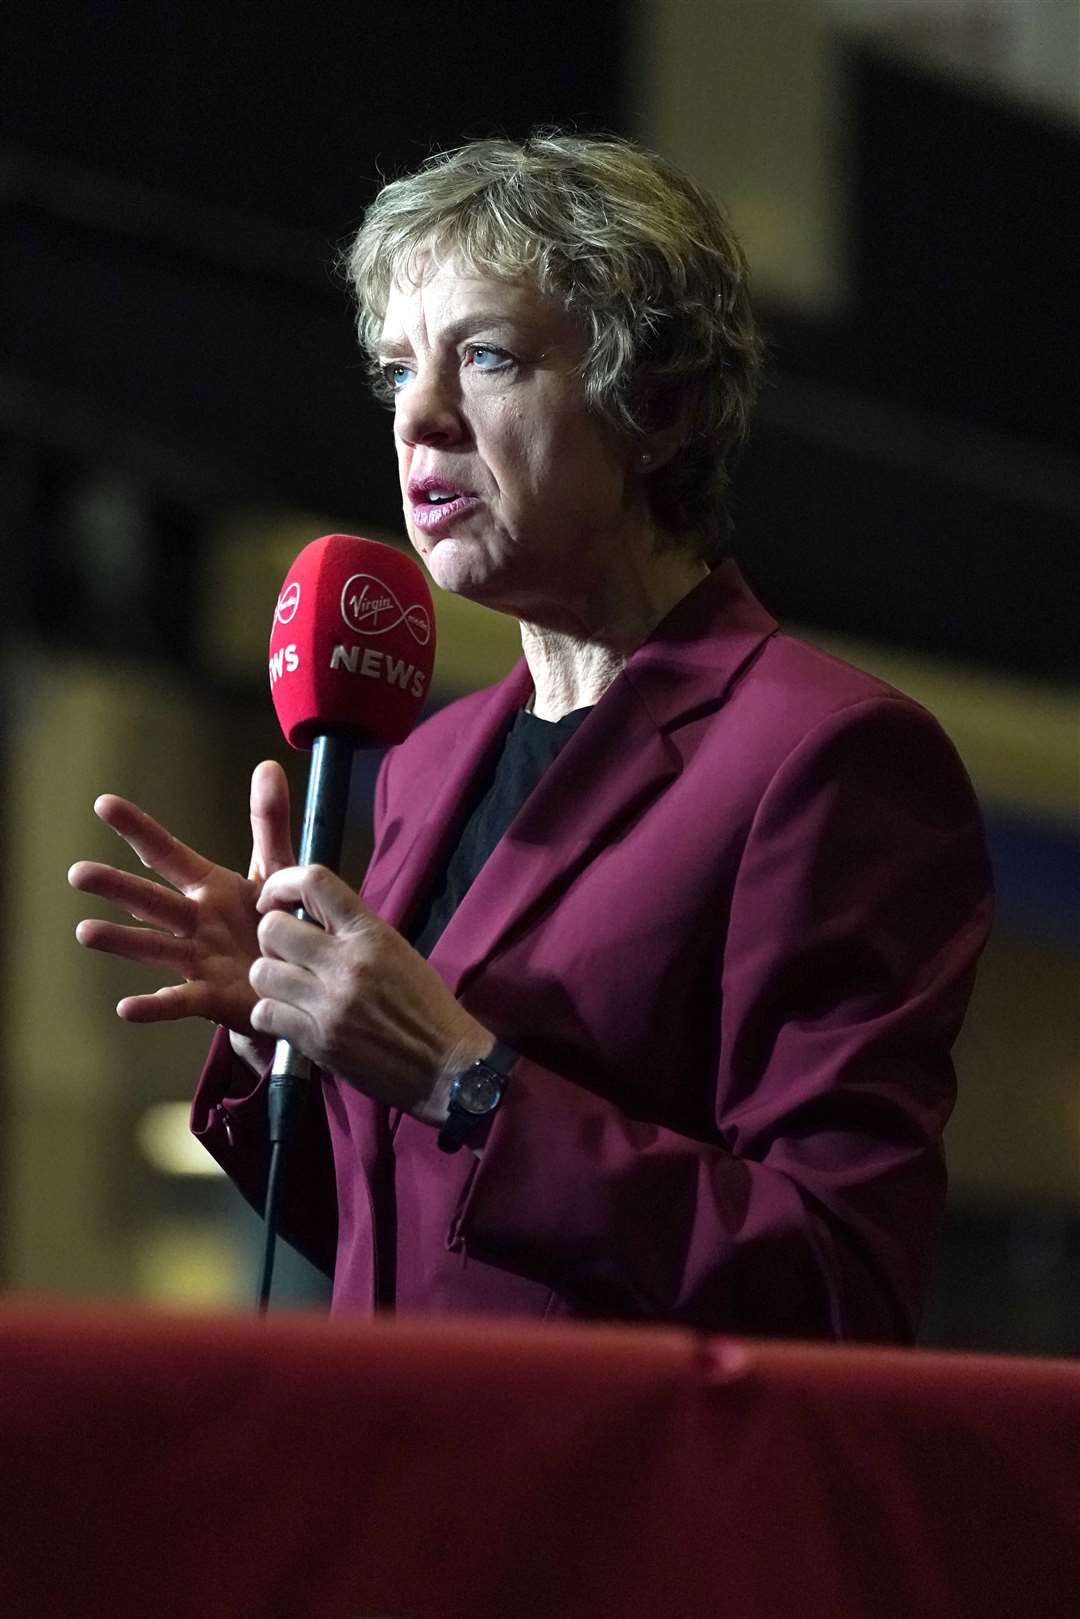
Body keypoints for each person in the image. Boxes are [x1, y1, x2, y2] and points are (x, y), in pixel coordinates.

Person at [70, 134, 992, 1339]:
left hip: (618, 1506)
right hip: (407, 1490)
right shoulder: (426, 762)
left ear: (657, 407)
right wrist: (285, 1039)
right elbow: (419, 1238)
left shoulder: (827, 758)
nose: (422, 420)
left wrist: (463, 1078)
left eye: (488, 358)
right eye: (399, 371)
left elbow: (836, 1282)